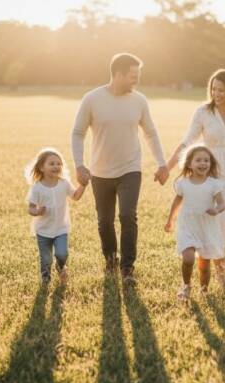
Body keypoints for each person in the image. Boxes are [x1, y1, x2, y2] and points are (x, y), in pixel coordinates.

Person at [71, 53, 169, 284]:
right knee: (104, 221)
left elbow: (151, 133)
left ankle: (127, 269)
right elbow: (78, 133)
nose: (136, 80)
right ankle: (110, 260)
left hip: (130, 168)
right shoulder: (92, 99)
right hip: (100, 171)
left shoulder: (139, 101)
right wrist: (79, 165)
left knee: (127, 215)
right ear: (118, 74)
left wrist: (162, 163)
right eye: (133, 76)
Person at [166, 69, 225, 273]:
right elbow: (187, 142)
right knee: (218, 220)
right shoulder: (203, 112)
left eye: (221, 90)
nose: (216, 94)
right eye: (214, 89)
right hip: (211, 171)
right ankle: (218, 264)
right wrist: (167, 166)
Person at [165, 146, 225, 301]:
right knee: (188, 259)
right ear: (189, 164)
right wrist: (170, 220)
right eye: (198, 160)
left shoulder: (213, 184)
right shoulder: (183, 183)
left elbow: (222, 204)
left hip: (206, 226)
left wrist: (216, 210)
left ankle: (204, 290)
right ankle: (186, 286)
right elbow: (176, 203)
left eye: (206, 160)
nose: (203, 163)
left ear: (210, 164)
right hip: (188, 225)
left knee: (204, 265)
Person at [25, 148, 87, 284]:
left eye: (59, 163)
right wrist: (37, 211)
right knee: (46, 259)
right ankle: (46, 279)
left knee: (62, 253)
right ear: (41, 167)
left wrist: (83, 185)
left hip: (61, 228)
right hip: (43, 230)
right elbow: (30, 208)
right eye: (52, 163)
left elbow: (75, 196)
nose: (56, 166)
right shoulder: (37, 187)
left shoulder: (63, 183)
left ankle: (60, 266)